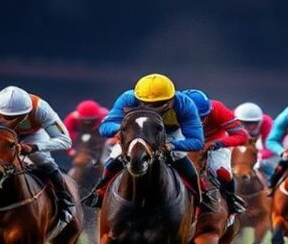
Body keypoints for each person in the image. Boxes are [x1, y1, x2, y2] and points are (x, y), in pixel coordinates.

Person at [82, 73, 205, 209]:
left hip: (169, 136)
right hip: (136, 132)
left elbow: (197, 141)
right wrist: (123, 130)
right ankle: (100, 193)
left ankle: (199, 200)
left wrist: (173, 145)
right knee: (113, 159)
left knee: (185, 165)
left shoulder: (184, 104)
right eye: (146, 104)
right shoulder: (128, 98)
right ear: (137, 98)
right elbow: (105, 126)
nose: (152, 107)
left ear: (172, 99)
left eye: (158, 104)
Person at [0, 85, 76, 223]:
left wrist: (34, 147)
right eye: (6, 116)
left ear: (27, 111)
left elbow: (65, 141)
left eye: (15, 117)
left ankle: (64, 200)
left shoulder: (41, 109)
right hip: (0, 136)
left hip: (32, 136)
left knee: (42, 159)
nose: (9, 121)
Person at [182, 89, 248, 213]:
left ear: (209, 111)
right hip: (185, 142)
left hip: (214, 142)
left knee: (222, 172)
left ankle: (231, 202)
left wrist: (218, 143)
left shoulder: (218, 109)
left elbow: (242, 136)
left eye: (202, 117)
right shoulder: (174, 112)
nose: (198, 122)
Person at [234, 102, 276, 182]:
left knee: (264, 165)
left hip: (258, 146)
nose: (246, 127)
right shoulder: (230, 120)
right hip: (240, 146)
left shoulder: (267, 123)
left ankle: (271, 185)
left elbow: (270, 146)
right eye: (243, 123)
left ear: (259, 121)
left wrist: (258, 156)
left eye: (251, 123)